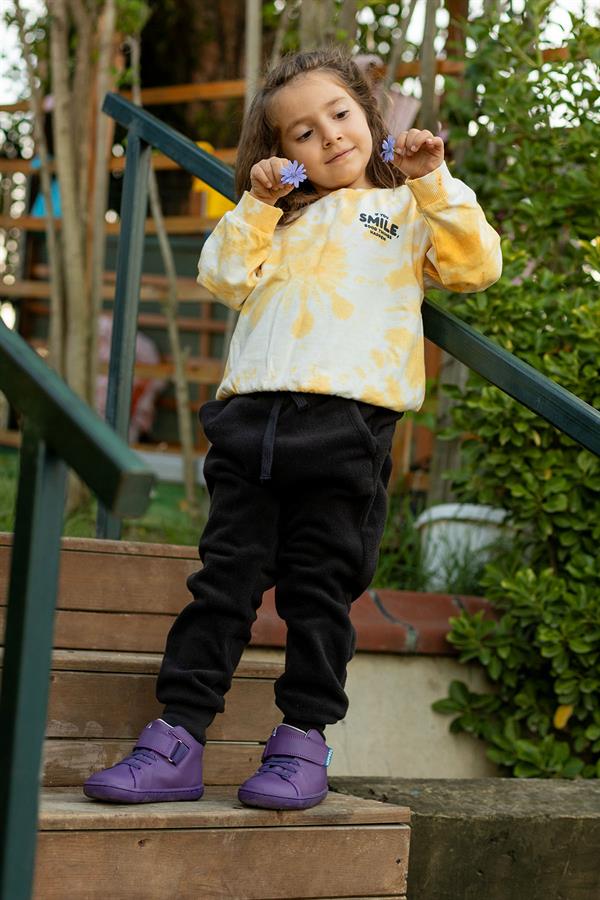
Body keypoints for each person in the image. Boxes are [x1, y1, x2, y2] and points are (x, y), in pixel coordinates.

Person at [83, 46, 502, 810]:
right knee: (222, 588)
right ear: (282, 152)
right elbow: (221, 276)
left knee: (319, 595)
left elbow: (477, 266)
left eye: (339, 114)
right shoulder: (276, 220)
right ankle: (177, 739)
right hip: (250, 423)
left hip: (348, 427)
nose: (329, 135)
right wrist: (256, 202)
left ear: (368, 115)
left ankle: (303, 742)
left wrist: (433, 178)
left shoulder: (407, 210)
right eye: (303, 132)